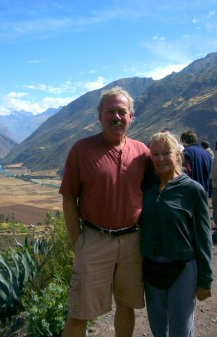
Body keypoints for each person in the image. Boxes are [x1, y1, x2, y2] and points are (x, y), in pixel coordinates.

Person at [59, 87, 151, 337]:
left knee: (127, 305)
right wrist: (78, 241)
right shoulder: (82, 149)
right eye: (110, 111)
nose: (116, 117)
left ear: (131, 116)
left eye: (122, 112)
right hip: (94, 240)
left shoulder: (142, 152)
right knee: (80, 312)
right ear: (99, 116)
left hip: (132, 241)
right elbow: (69, 198)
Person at [140, 131, 213, 337]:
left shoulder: (192, 190)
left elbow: (204, 237)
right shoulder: (147, 187)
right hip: (151, 269)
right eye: (155, 154)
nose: (161, 159)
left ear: (178, 155)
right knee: (157, 327)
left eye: (166, 153)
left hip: (182, 268)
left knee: (181, 330)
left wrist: (205, 279)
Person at [180, 130, 212, 196]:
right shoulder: (206, 154)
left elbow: (184, 173)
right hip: (204, 192)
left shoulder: (186, 153)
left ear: (184, 140)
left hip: (191, 193)